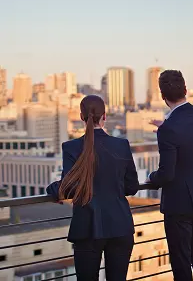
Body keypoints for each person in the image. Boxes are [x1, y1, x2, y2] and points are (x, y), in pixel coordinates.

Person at [46, 95, 139, 281]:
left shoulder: (71, 147)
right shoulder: (122, 145)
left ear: (81, 117)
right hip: (119, 225)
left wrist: (52, 189)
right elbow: (132, 186)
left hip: (87, 228)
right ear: (104, 116)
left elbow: (69, 188)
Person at [146, 70, 193, 281]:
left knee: (180, 261)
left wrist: (152, 177)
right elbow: (190, 133)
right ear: (185, 89)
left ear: (162, 96)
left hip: (180, 204)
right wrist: (166, 127)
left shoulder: (169, 130)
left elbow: (166, 174)